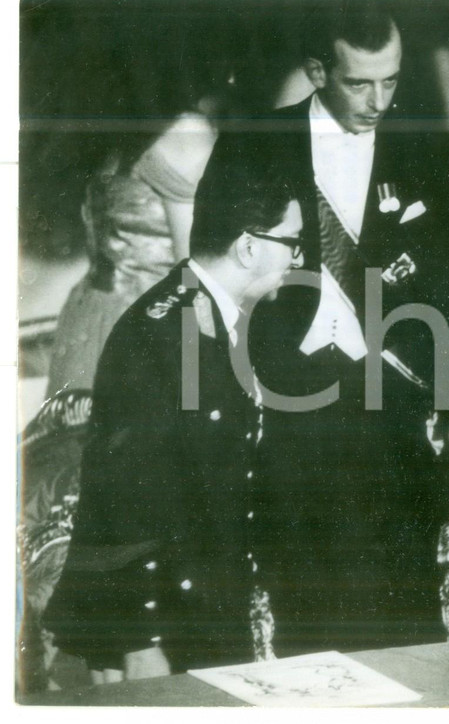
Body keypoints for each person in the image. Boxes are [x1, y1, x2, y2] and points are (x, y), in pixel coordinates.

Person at [207, 0, 449, 653]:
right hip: (288, 434)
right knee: (312, 649)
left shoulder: (432, 152)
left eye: (391, 80)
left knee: (409, 644)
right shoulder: (250, 147)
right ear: (317, 71)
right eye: (359, 83)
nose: (379, 99)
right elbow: (216, 293)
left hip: (393, 435)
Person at [43, 148, 304, 681]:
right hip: (172, 633)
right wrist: (141, 640)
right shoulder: (155, 336)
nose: (299, 260)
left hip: (221, 616)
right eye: (292, 244)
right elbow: (123, 498)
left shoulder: (227, 315)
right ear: (249, 247)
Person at [45, 61, 233, 396]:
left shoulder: (115, 132)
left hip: (94, 317)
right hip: (148, 333)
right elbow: (194, 276)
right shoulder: (184, 132)